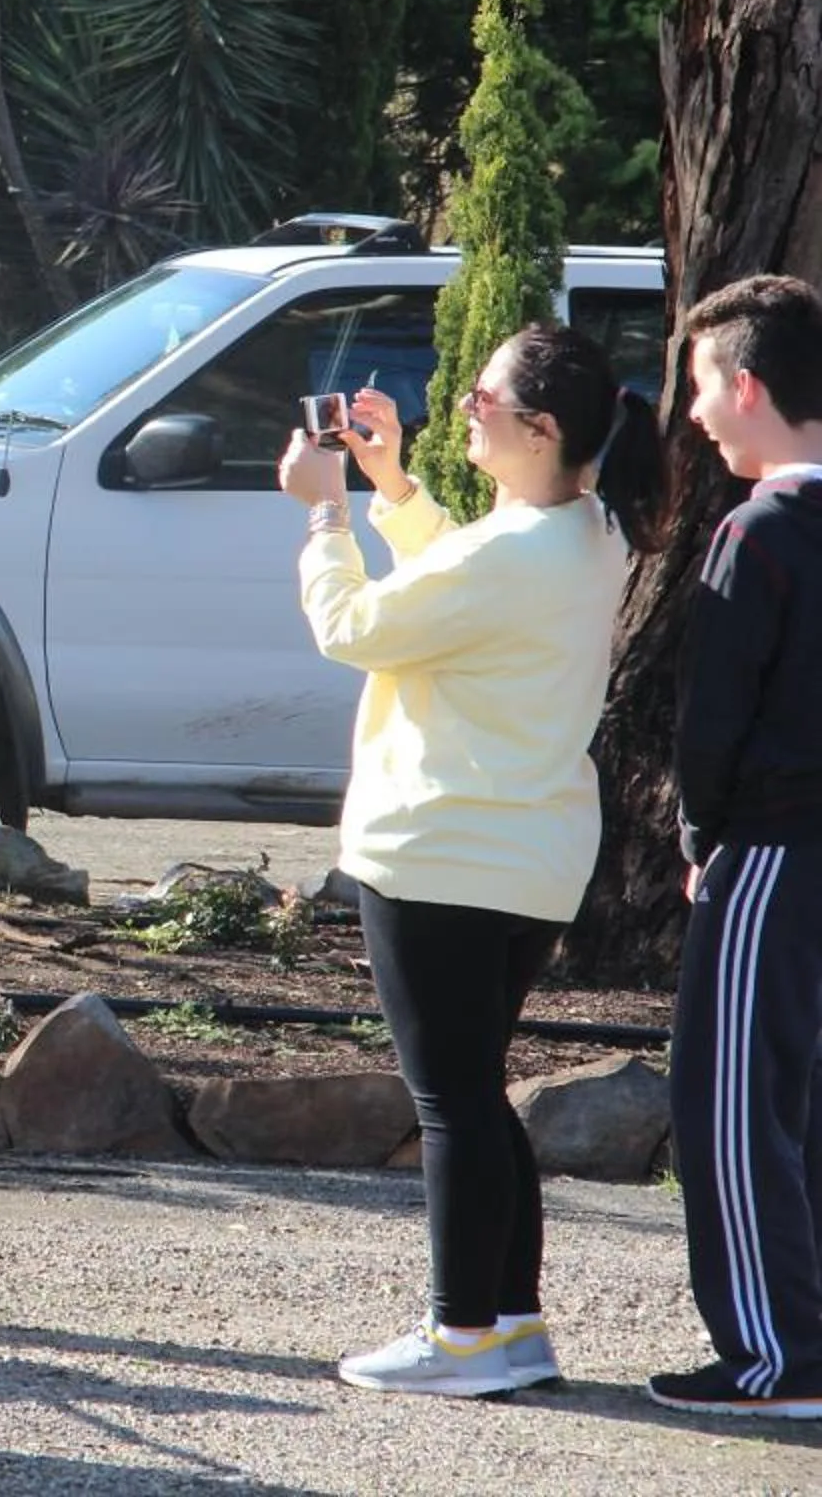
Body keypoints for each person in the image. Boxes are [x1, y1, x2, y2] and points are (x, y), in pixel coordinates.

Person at [278, 324, 662, 1396]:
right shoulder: (579, 529)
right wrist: (390, 484)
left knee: (451, 1101)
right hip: (518, 853)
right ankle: (511, 1324)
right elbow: (462, 583)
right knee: (476, 1094)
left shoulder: (519, 548)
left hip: (442, 848)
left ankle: (461, 1335)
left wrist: (323, 510)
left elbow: (352, 624)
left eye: (480, 399)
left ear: (540, 429)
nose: (462, 408)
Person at [652, 273, 822, 1417]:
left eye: (706, 385)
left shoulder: (757, 528)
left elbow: (711, 712)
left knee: (731, 1100)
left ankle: (776, 1357)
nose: (699, 412)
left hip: (772, 849)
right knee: (803, 1106)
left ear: (749, 383)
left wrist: (697, 832)